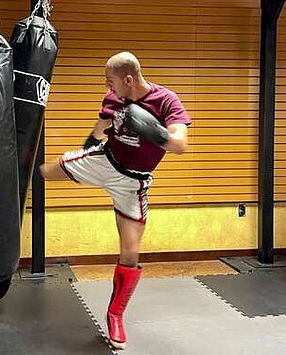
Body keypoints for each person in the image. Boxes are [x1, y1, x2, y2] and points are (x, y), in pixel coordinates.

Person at [39, 51, 191, 350]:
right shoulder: (113, 100)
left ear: (129, 79)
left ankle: (115, 315)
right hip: (104, 161)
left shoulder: (166, 101)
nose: (108, 88)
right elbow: (99, 129)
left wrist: (152, 128)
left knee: (131, 253)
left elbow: (180, 144)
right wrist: (86, 149)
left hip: (133, 182)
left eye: (111, 82)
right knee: (44, 172)